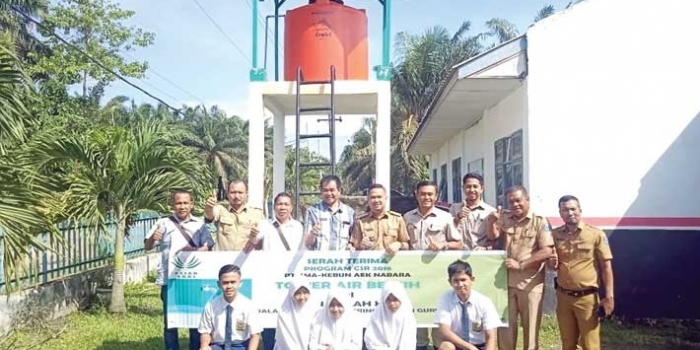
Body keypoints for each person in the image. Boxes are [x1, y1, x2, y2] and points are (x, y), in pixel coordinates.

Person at [144, 189, 214, 350]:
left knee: (196, 320)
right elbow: (147, 246)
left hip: (194, 280)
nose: (182, 206)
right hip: (170, 281)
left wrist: (196, 251)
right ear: (173, 205)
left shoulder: (199, 225)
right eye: (178, 203)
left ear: (191, 205)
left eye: (185, 203)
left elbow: (209, 246)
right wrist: (153, 239)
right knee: (171, 322)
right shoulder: (162, 223)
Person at [487, 186, 554, 350]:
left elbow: (547, 250)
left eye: (518, 200)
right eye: (511, 201)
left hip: (530, 284)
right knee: (505, 329)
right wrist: (491, 222)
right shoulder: (505, 218)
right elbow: (492, 237)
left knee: (530, 330)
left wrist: (522, 264)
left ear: (527, 200)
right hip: (505, 283)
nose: (515, 204)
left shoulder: (540, 221)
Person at [549, 195, 614, 350]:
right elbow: (552, 263)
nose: (570, 213)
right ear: (560, 213)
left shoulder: (596, 234)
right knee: (567, 343)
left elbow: (606, 268)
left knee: (590, 344)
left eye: (573, 209)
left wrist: (609, 296)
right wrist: (551, 263)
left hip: (587, 299)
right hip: (563, 297)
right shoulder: (555, 235)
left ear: (580, 210)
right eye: (565, 210)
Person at [403, 180, 460, 350]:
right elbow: (404, 242)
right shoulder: (407, 217)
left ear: (436, 197)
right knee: (417, 320)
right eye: (422, 194)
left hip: (438, 277)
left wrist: (444, 245)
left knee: (438, 321)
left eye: (430, 194)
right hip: (415, 276)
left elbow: (459, 243)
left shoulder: (445, 217)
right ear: (416, 195)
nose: (426, 197)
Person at [434, 260, 499, 350]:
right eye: (456, 281)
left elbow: (490, 336)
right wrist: (469, 347)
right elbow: (444, 331)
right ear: (450, 282)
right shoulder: (445, 298)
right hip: (457, 344)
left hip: (479, 345)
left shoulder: (484, 301)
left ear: (472, 280)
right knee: (446, 346)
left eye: (463, 280)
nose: (460, 284)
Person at [198, 264, 261, 350]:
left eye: (233, 282)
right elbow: (205, 332)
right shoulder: (211, 306)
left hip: (241, 346)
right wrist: (204, 346)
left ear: (240, 283)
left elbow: (255, 336)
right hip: (218, 346)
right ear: (218, 284)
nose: (229, 286)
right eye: (225, 282)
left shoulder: (249, 306)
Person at [205, 180, 266, 251]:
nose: (236, 196)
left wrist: (256, 237)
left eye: (240, 192)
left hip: (247, 259)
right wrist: (209, 207)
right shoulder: (221, 209)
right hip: (223, 260)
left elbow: (264, 240)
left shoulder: (257, 214)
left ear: (247, 193)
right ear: (227, 194)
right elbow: (209, 215)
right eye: (233, 192)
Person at [349, 184, 410, 255]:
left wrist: (398, 244)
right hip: (370, 264)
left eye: (379, 197)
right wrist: (360, 245)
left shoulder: (397, 219)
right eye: (373, 197)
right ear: (368, 199)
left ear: (386, 198)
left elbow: (407, 245)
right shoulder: (360, 221)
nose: (376, 200)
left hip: (392, 264)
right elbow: (353, 247)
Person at [304, 175, 356, 251]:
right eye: (325, 190)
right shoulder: (312, 211)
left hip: (342, 260)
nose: (329, 193)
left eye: (332, 190)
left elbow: (353, 239)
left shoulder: (350, 212)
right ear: (321, 192)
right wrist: (312, 233)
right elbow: (306, 242)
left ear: (339, 191)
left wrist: (351, 245)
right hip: (318, 261)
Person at [364, 281, 417, 350]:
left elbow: (409, 343)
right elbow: (370, 341)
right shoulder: (376, 316)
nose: (392, 303)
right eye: (388, 299)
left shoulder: (407, 316)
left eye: (395, 299)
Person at [449, 173, 497, 250]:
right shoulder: (454, 208)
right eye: (468, 187)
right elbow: (446, 232)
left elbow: (494, 239)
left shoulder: (490, 211)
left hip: (480, 255)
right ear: (463, 188)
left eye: (475, 186)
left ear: (482, 189)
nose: (472, 190)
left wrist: (486, 248)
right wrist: (458, 217)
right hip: (457, 254)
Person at [274, 280, 316, 350]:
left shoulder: (315, 312)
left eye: (305, 293)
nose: (302, 297)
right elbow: (283, 342)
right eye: (298, 293)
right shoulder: (284, 314)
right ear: (292, 294)